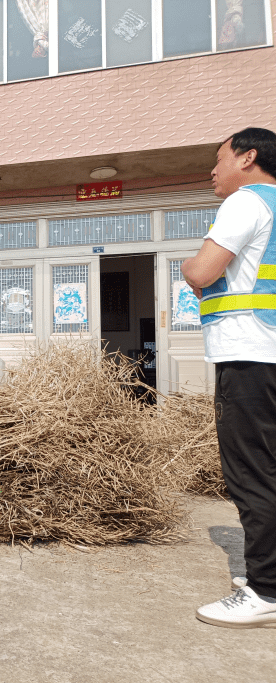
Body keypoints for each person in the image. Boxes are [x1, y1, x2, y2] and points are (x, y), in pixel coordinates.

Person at [181, 127, 276, 628]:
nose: (213, 171)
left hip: (251, 355)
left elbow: (202, 272)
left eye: (219, 160)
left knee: (253, 473)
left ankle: (265, 591)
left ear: (248, 157)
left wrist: (186, 266)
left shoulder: (247, 203)